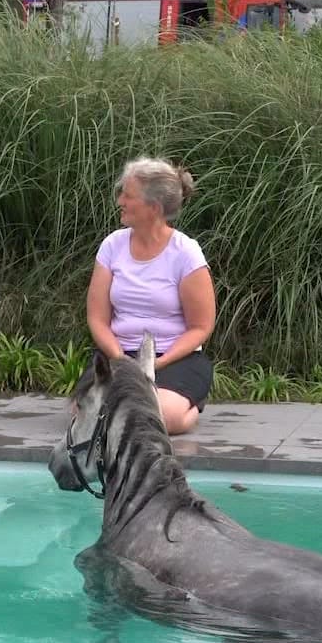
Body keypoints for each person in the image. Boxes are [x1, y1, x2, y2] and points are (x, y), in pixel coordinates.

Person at [84, 156, 217, 435]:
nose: (120, 200)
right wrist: (119, 357)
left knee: (161, 418)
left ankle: (186, 406)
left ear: (153, 208)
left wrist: (157, 364)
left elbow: (201, 326)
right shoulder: (112, 246)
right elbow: (97, 318)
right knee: (89, 412)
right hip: (119, 354)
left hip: (173, 358)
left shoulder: (185, 253)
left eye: (127, 195)